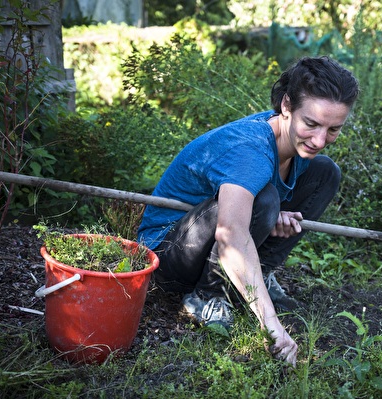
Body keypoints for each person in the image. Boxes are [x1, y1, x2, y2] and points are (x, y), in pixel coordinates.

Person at [138, 56, 359, 367]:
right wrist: (272, 326)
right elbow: (231, 236)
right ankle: (208, 295)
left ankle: (258, 275)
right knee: (265, 199)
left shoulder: (296, 144)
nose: (320, 139)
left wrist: (270, 215)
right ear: (286, 106)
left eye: (333, 128)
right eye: (311, 124)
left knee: (325, 171)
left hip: (208, 237)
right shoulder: (250, 150)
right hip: (167, 253)